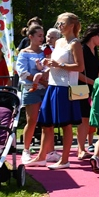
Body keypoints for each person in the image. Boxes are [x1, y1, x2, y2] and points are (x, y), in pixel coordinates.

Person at [30, 13, 85, 170]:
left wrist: (59, 65)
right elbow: (56, 63)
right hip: (53, 85)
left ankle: (65, 159)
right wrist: (48, 65)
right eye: (58, 23)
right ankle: (41, 157)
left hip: (65, 88)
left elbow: (80, 67)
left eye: (62, 23)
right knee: (46, 123)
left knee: (65, 124)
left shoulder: (75, 43)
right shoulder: (59, 41)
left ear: (72, 26)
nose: (59, 26)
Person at [15, 25, 47, 164]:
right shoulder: (24, 53)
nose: (42, 38)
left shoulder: (45, 52)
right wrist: (37, 78)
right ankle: (26, 150)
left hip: (45, 88)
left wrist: (44, 80)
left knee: (47, 122)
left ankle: (46, 151)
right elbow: (22, 71)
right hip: (31, 88)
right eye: (39, 35)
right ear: (31, 37)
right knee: (32, 120)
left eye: (42, 35)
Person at [76, 24, 99, 161]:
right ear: (92, 35)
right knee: (83, 119)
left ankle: (85, 147)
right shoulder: (82, 49)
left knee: (88, 118)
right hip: (80, 87)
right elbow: (77, 74)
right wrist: (95, 83)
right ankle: (80, 149)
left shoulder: (95, 50)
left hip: (92, 87)